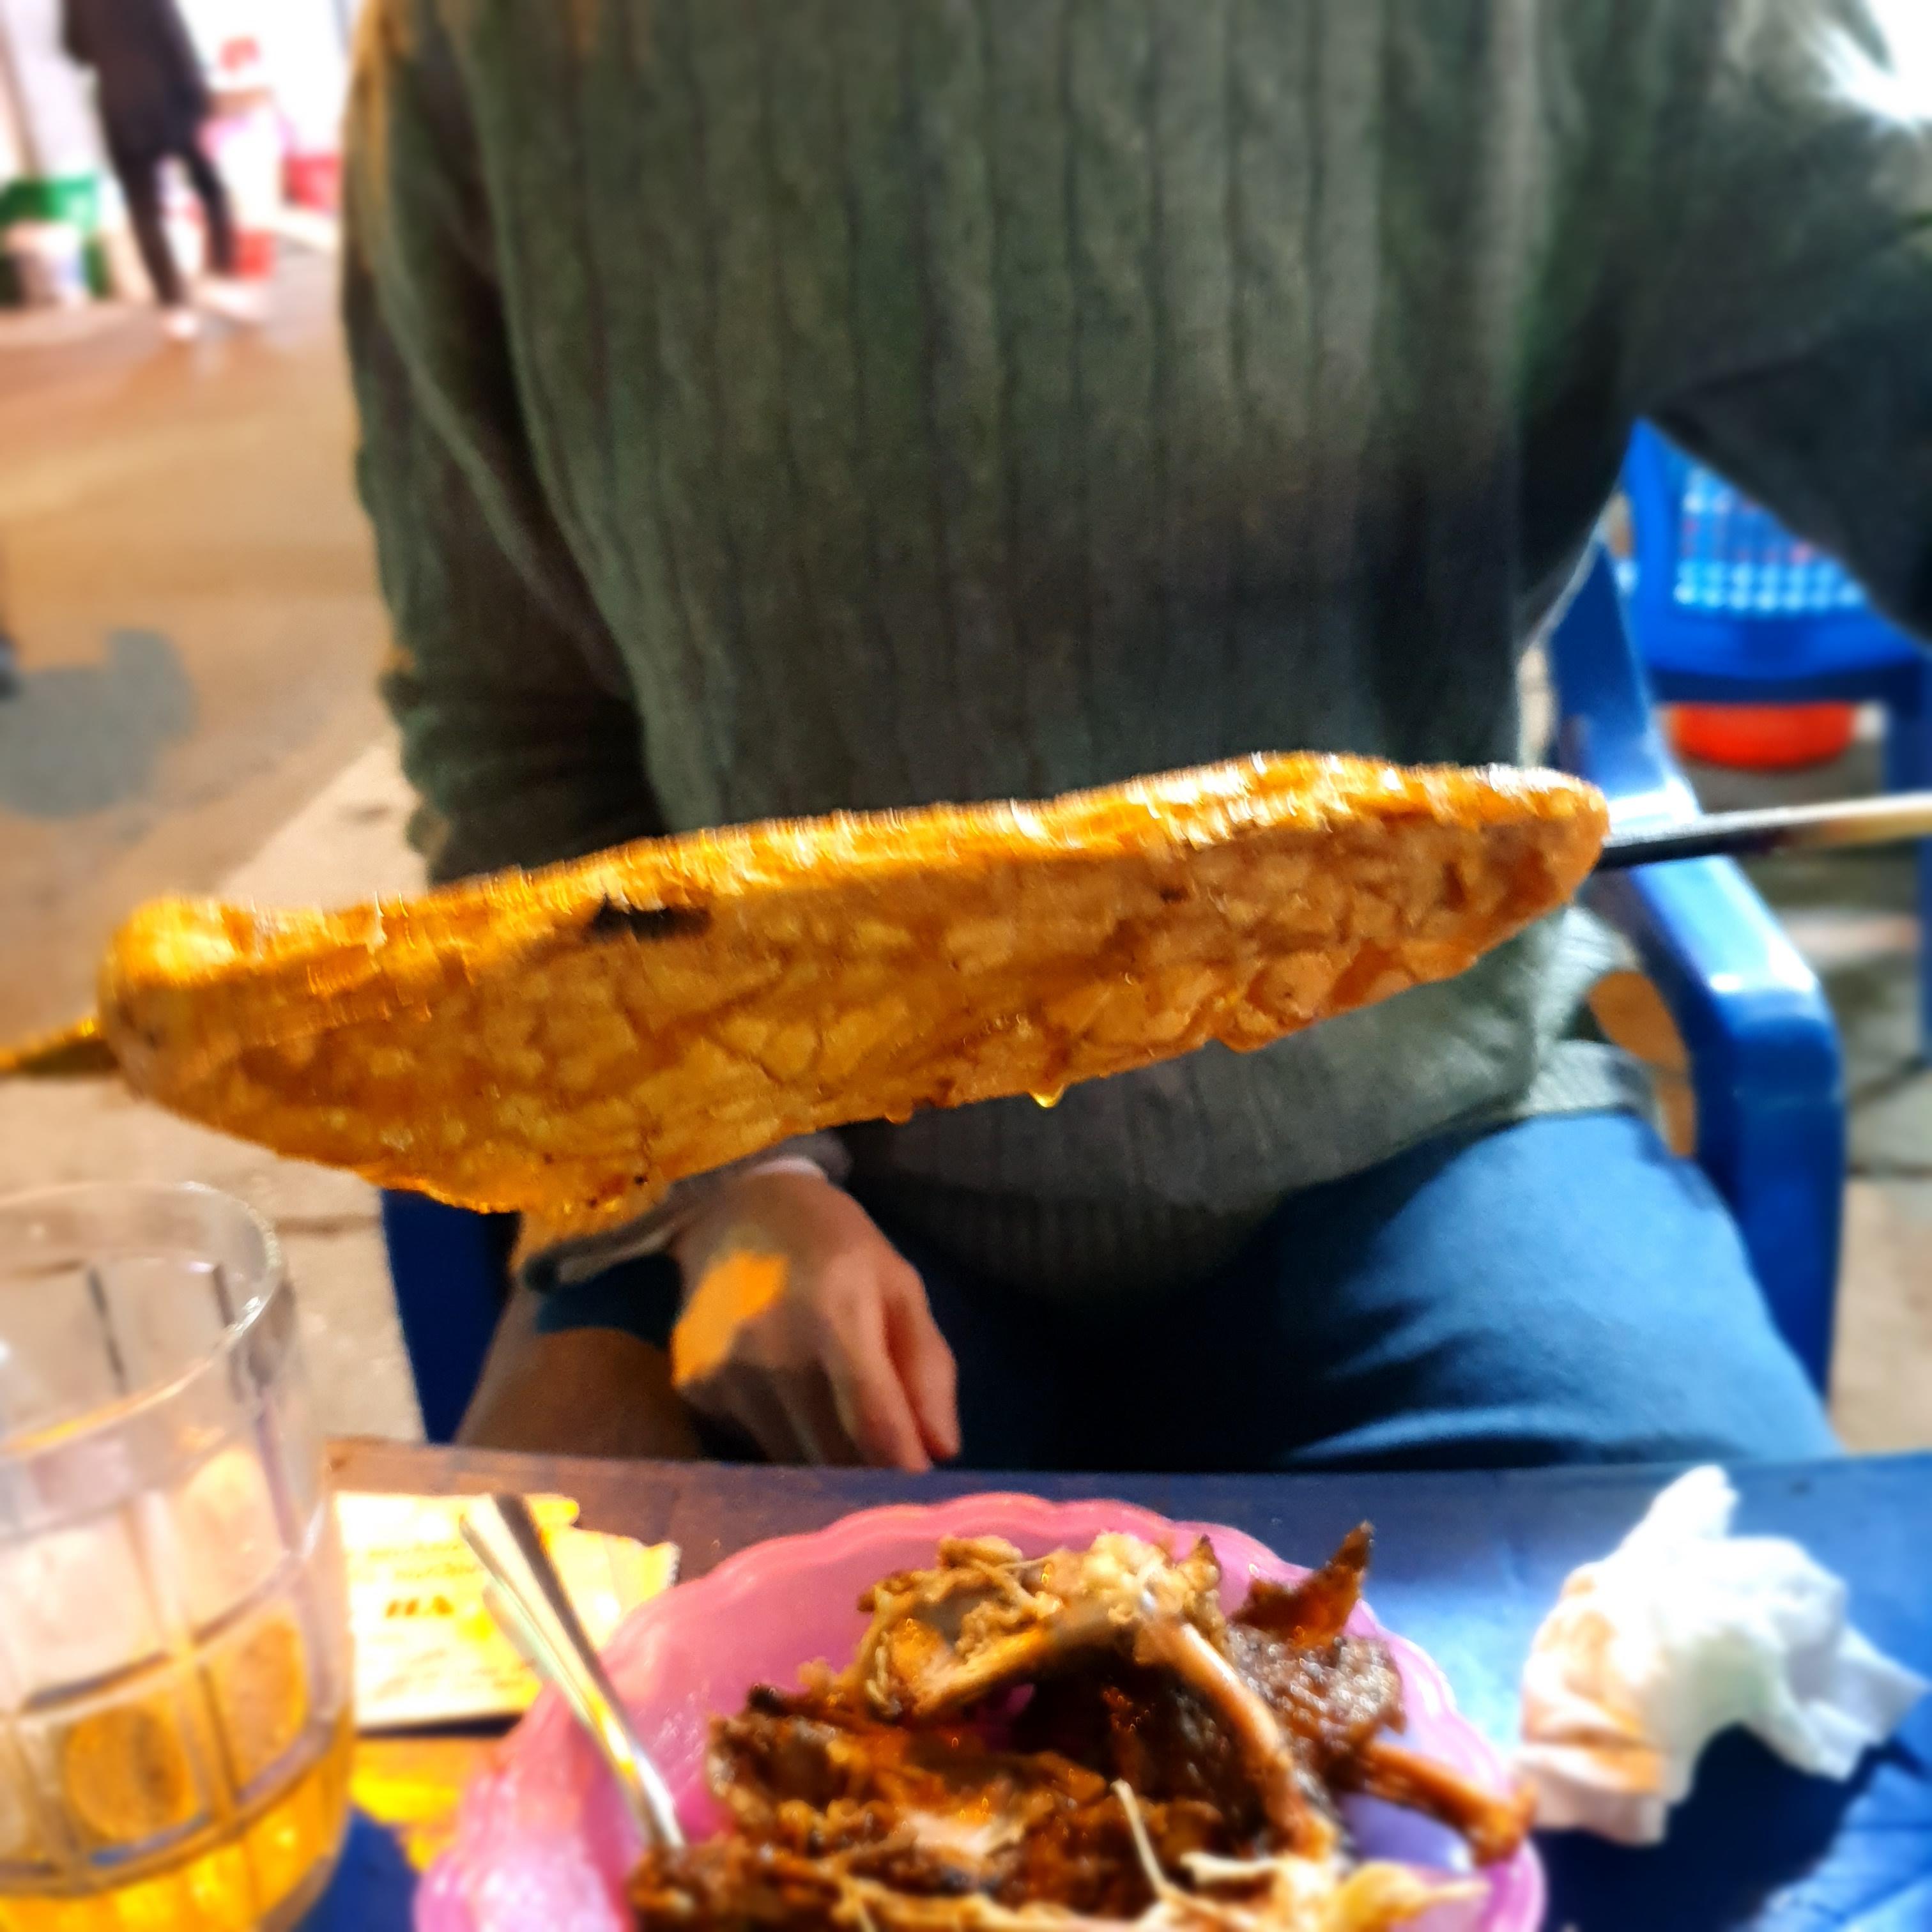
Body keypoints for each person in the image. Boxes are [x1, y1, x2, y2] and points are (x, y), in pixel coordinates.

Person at [344, 0, 1930, 1475]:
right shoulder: (493, 44)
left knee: (1739, 1654)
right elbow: (511, 719)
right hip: (772, 1173)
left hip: (1425, 1129)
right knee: (559, 1684)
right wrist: (714, 1176)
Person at [61, 0, 254, 340]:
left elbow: (75, 48)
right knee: (210, 188)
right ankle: (223, 277)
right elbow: (175, 38)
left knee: (144, 208)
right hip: (171, 97)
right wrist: (201, 103)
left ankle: (174, 307)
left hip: (119, 106)